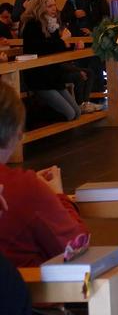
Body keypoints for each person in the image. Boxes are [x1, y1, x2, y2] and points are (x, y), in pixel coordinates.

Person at [0, 82, 90, 268]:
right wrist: (58, 196)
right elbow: (76, 246)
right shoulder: (26, 188)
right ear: (17, 134)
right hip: (24, 285)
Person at [21, 0, 94, 119]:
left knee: (77, 113)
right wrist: (63, 40)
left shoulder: (51, 23)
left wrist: (73, 47)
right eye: (50, 6)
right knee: (70, 114)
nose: (54, 8)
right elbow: (41, 48)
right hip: (39, 77)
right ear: (40, 8)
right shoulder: (32, 25)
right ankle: (38, 119)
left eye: (54, 5)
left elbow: (57, 46)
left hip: (53, 75)